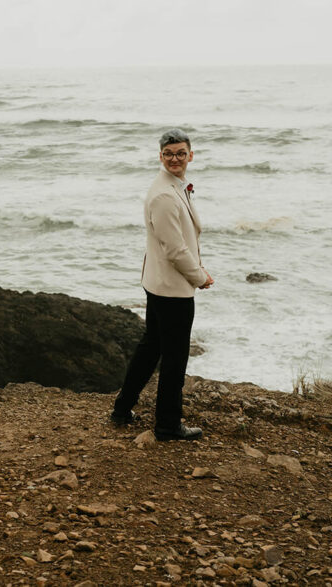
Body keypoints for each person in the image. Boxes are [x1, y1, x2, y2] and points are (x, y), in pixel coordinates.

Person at [111, 129, 213, 441]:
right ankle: (168, 425)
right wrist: (199, 277)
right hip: (171, 289)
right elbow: (175, 250)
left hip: (157, 282)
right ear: (160, 156)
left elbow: (178, 241)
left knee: (150, 348)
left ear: (190, 155)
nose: (175, 158)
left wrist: (196, 265)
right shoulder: (165, 195)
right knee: (174, 358)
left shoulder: (174, 186)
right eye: (169, 154)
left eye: (181, 153)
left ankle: (121, 409)